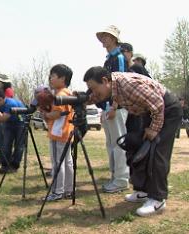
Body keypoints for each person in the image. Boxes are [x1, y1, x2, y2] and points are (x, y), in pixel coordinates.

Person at [83, 66, 183, 217]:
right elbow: (112, 99)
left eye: (94, 88)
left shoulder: (128, 84)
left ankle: (158, 199)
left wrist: (154, 129)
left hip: (167, 110)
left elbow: (157, 104)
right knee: (136, 147)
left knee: (157, 152)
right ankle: (142, 191)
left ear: (105, 81)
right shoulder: (113, 88)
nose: (92, 93)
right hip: (147, 112)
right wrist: (87, 99)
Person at [96, 25, 129, 192]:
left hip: (118, 107)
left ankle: (122, 179)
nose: (103, 39)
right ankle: (115, 176)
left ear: (114, 38)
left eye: (106, 36)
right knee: (111, 144)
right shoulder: (108, 59)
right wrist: (105, 107)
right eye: (102, 36)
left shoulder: (119, 58)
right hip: (109, 107)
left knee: (119, 144)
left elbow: (120, 83)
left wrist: (114, 106)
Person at [39, 64, 74, 201]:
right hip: (67, 132)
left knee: (57, 163)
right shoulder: (68, 93)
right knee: (67, 162)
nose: (50, 78)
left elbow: (56, 114)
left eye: (53, 76)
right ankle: (68, 190)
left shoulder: (59, 95)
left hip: (57, 133)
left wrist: (45, 114)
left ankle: (57, 192)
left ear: (62, 78)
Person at [0, 88, 25, 174]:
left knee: (19, 146)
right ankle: (5, 165)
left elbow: (2, 118)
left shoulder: (10, 104)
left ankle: (14, 165)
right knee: (5, 144)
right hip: (9, 122)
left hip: (21, 123)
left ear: (0, 99)